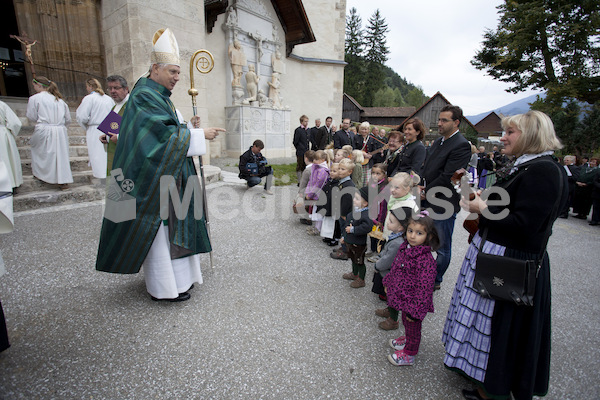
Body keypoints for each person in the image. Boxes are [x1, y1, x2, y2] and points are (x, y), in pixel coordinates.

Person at [442, 110, 568, 400]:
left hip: (511, 261)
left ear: (531, 135)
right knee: (492, 324)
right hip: (501, 255)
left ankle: (494, 389)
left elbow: (525, 227)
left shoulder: (544, 171)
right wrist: (482, 202)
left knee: (501, 327)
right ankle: (485, 380)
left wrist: (482, 210)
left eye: (511, 132)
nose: (503, 137)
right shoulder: (528, 167)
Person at [95, 28, 224, 302]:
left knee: (174, 227)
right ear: (155, 68)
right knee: (161, 230)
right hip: (154, 178)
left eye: (179, 73)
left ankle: (181, 281)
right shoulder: (143, 96)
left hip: (170, 174)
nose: (177, 78)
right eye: (173, 72)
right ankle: (164, 288)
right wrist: (199, 135)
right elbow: (158, 138)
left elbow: (167, 129)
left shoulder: (155, 94)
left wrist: (189, 128)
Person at [421, 105, 471, 290]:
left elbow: (448, 175)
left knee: (441, 246)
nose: (439, 123)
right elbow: (427, 168)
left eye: (444, 120)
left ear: (456, 122)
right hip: (426, 198)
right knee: (423, 240)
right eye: (439, 119)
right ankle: (423, 273)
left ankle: (436, 279)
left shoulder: (461, 145)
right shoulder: (438, 142)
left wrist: (426, 190)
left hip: (443, 203)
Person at [385, 211, 440, 365]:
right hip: (404, 298)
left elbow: (424, 289)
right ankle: (408, 340)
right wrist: (388, 281)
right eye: (410, 231)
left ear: (429, 236)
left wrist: (416, 312)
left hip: (414, 303)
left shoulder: (426, 260)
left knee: (413, 326)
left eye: (419, 233)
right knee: (405, 321)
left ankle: (410, 353)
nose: (412, 236)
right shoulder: (405, 247)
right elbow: (395, 266)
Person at [26, 76, 73, 190]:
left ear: (39, 85)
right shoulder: (60, 101)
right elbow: (68, 119)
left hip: (44, 128)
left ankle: (42, 175)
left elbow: (31, 116)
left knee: (43, 153)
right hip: (60, 130)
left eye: (34, 86)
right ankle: (63, 180)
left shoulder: (35, 98)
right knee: (60, 155)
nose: (34, 88)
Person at [76, 78, 115, 179]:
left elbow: (82, 117)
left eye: (87, 87)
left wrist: (86, 127)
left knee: (97, 154)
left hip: (95, 129)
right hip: (108, 128)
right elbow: (114, 114)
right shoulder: (108, 99)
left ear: (90, 86)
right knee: (106, 154)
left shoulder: (89, 98)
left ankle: (101, 176)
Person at [372, 206, 409, 312]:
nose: (388, 222)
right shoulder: (395, 237)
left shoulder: (397, 243)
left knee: (392, 296)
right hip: (388, 271)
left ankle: (392, 318)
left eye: (391, 221)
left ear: (401, 227)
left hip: (389, 274)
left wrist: (377, 265)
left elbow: (388, 259)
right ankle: (389, 310)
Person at [340, 187, 374, 288]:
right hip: (350, 242)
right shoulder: (354, 211)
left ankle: (361, 279)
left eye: (357, 199)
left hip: (359, 244)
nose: (354, 200)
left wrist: (353, 230)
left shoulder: (366, 215)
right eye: (354, 198)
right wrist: (344, 237)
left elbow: (367, 227)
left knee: (359, 261)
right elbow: (347, 225)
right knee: (353, 259)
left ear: (365, 203)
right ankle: (354, 274)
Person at [99, 75, 130, 174]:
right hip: (113, 153)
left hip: (125, 156)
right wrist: (106, 137)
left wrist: (120, 137)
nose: (112, 91)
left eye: (116, 88)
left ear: (126, 89)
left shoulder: (132, 105)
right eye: (110, 88)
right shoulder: (115, 107)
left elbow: (138, 129)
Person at [330, 158, 356, 260]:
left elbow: (347, 201)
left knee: (345, 232)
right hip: (341, 212)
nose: (340, 171)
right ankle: (344, 247)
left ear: (350, 172)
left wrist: (343, 214)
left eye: (343, 169)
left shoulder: (348, 185)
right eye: (339, 168)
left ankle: (345, 252)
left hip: (345, 214)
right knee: (342, 231)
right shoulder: (342, 182)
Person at [304, 150, 330, 235]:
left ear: (323, 159)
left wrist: (311, 194)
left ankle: (318, 229)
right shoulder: (317, 168)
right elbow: (312, 181)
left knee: (318, 212)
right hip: (315, 194)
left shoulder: (322, 171)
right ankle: (316, 227)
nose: (314, 161)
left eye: (316, 159)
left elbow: (318, 185)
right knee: (315, 211)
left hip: (319, 195)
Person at [0, 101, 23, 190]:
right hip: (2, 134)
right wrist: (10, 134)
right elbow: (15, 123)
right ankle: (11, 183)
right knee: (7, 159)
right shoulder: (2, 104)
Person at [295, 150, 316, 225]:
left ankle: (305, 217)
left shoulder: (307, 171)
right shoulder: (316, 168)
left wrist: (300, 193)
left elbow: (303, 184)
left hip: (308, 191)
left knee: (299, 199)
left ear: (306, 159)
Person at [293, 115, 310, 183]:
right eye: (305, 121)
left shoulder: (308, 130)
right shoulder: (298, 130)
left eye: (307, 121)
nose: (306, 123)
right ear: (301, 122)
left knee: (305, 166)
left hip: (306, 151)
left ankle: (304, 180)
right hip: (300, 151)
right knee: (299, 165)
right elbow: (295, 141)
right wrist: (299, 148)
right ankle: (299, 181)